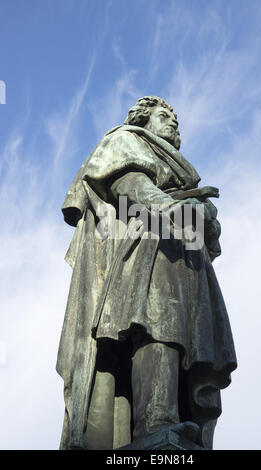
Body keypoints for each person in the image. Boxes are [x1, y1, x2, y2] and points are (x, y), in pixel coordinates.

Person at [56, 96, 237, 450]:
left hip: (183, 252)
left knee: (186, 336)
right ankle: (157, 423)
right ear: (144, 119)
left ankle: (173, 421)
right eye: (164, 116)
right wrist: (176, 207)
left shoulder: (179, 169)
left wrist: (204, 217)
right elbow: (129, 188)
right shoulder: (125, 139)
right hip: (149, 245)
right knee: (157, 324)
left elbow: (203, 233)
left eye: (176, 121)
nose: (173, 123)